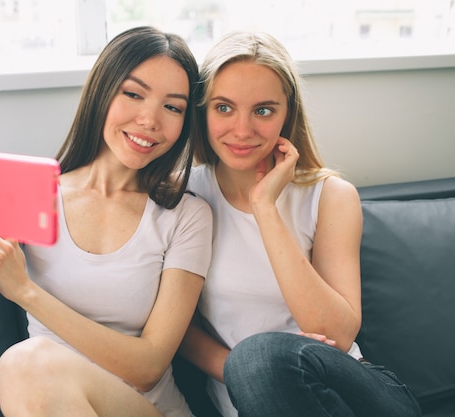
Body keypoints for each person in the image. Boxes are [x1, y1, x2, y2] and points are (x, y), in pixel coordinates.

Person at [0, 26, 212, 417]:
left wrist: (25, 291)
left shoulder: (185, 215)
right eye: (133, 94)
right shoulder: (29, 194)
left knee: (27, 363)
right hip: (46, 400)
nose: (150, 119)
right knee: (28, 366)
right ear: (101, 92)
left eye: (173, 107)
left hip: (149, 409)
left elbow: (148, 368)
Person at [179, 31, 421, 417]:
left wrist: (265, 207)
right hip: (251, 400)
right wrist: (246, 372)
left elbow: (338, 336)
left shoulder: (330, 197)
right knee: (256, 360)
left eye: (263, 110)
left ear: (287, 114)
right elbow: (175, 330)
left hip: (351, 395)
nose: (242, 130)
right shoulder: (183, 196)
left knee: (258, 357)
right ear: (202, 110)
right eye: (224, 108)